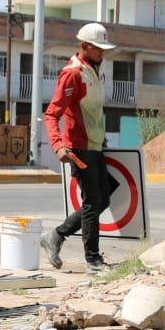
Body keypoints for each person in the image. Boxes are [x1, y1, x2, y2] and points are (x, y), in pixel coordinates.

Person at [40, 23, 117, 275]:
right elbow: (52, 114)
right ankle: (93, 260)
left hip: (95, 147)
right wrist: (58, 145)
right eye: (98, 49)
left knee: (103, 198)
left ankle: (56, 235)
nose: (102, 54)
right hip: (78, 148)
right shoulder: (72, 74)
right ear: (84, 46)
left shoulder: (95, 70)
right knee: (93, 201)